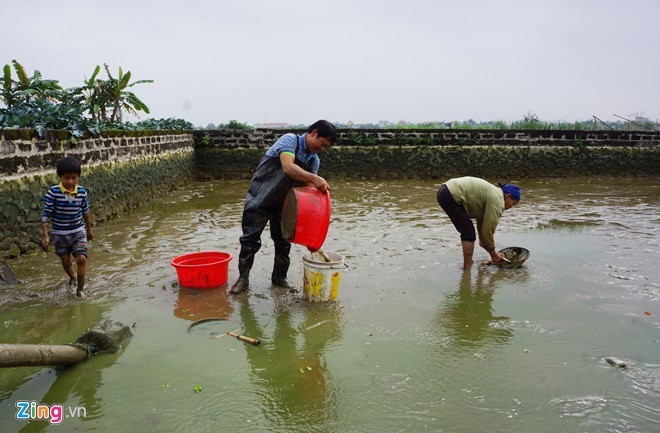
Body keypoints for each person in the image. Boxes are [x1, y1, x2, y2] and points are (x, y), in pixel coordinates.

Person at [230, 120, 337, 295]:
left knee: (284, 241)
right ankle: (243, 279)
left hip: (285, 204)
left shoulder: (313, 161)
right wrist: (315, 179)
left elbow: (307, 198)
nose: (322, 148)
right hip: (261, 197)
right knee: (250, 240)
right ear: (313, 133)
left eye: (326, 147)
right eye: (322, 143)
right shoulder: (290, 140)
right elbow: (288, 167)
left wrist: (310, 234)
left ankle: (279, 279)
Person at [437, 176, 520, 269]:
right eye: (513, 203)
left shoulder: (495, 193)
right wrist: (493, 254)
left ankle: (467, 265)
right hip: (451, 194)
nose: (510, 207)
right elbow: (489, 228)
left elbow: (483, 220)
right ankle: (467, 268)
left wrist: (482, 239)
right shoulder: (498, 200)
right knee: (468, 234)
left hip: (445, 190)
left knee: (468, 232)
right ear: (508, 196)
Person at [41, 156, 94, 297]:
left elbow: (86, 212)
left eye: (74, 178)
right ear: (60, 177)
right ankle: (72, 277)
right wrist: (46, 235)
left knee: (81, 258)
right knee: (66, 262)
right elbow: (46, 215)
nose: (70, 181)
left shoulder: (82, 192)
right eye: (67, 178)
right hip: (60, 234)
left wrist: (89, 229)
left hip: (78, 231)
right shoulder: (53, 193)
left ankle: (80, 290)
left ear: (78, 177)